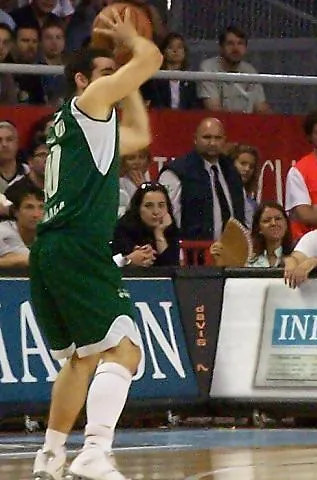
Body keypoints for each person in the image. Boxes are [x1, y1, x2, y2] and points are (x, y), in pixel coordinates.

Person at [29, 9, 162, 480]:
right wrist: (130, 39)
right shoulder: (90, 102)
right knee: (125, 349)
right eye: (106, 72)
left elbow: (141, 136)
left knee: (80, 359)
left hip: (51, 251)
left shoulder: (80, 125)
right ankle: (94, 452)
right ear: (83, 81)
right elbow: (153, 58)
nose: (114, 79)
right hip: (80, 246)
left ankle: (50, 456)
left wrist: (128, 81)